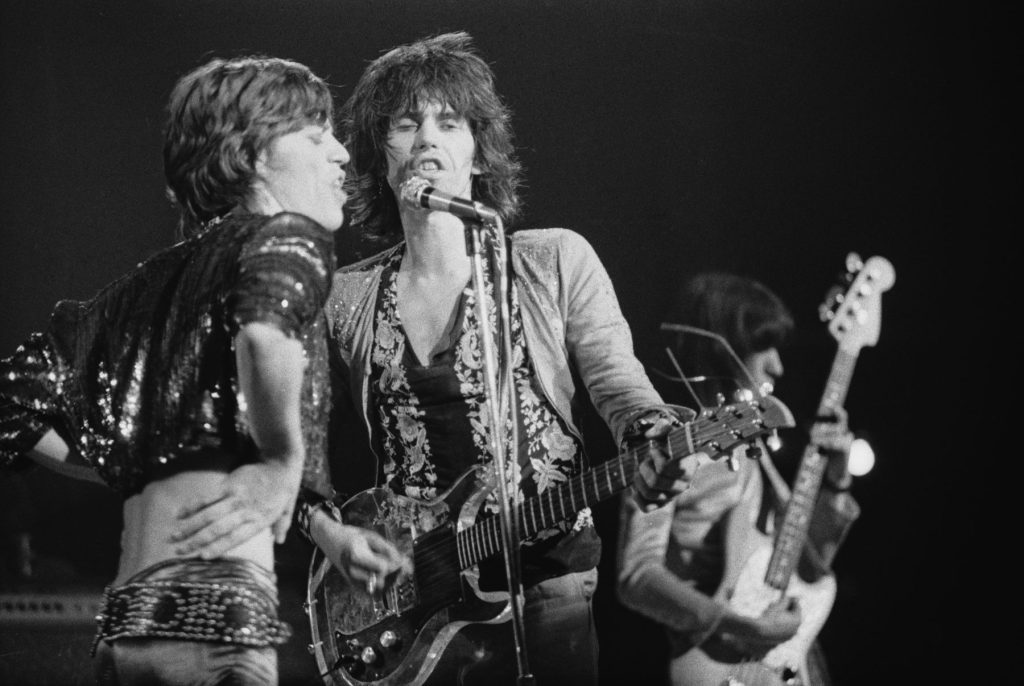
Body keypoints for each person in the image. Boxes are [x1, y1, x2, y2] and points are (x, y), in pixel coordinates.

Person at [292, 31, 709, 686]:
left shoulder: (553, 260)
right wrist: (332, 536)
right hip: (409, 606)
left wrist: (654, 438)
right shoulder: (344, 298)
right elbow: (295, 447)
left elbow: (622, 387)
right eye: (406, 124)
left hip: (546, 587)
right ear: (378, 153)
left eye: (449, 122)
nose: (427, 140)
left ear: (478, 149)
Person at [0, 54, 350, 685]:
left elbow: (11, 401)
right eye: (316, 135)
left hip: (125, 626)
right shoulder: (285, 235)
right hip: (216, 621)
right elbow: (264, 335)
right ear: (254, 154)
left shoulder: (141, 289)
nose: (342, 154)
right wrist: (282, 459)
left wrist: (127, 460)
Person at [616, 272, 861, 686]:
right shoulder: (667, 447)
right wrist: (741, 625)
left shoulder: (752, 444)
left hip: (787, 662)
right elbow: (636, 576)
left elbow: (806, 565)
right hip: (720, 663)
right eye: (764, 346)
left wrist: (836, 477)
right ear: (722, 349)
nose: (777, 365)